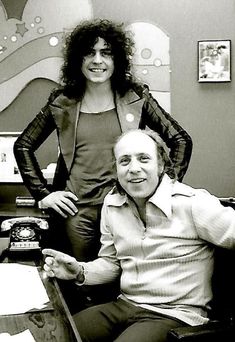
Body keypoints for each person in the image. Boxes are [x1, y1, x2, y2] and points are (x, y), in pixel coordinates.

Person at [14, 18, 192, 262]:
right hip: (76, 213)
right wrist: (43, 194)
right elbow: (23, 145)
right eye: (90, 53)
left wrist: (164, 188)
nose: (97, 61)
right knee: (81, 282)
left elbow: (181, 140)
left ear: (116, 59)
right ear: (79, 59)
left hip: (125, 208)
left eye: (106, 53)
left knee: (126, 278)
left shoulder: (137, 98)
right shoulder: (61, 103)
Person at [43, 129, 235, 342]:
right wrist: (79, 271)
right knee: (53, 335)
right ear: (116, 169)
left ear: (161, 165)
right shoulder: (112, 204)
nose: (134, 168)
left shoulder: (193, 203)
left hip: (176, 314)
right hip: (125, 305)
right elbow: (112, 263)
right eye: (124, 161)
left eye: (144, 159)